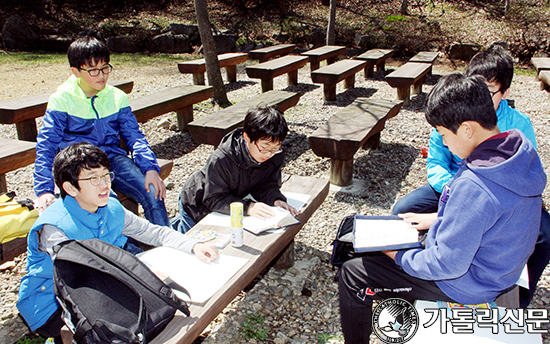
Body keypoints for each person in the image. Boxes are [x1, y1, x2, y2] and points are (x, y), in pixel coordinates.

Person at [338, 73, 546, 343]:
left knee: (353, 273)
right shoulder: (517, 151)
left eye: (444, 135)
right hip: (499, 268)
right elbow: (490, 218)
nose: (445, 143)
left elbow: (445, 264)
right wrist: (436, 220)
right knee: (405, 229)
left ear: (468, 129)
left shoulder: (476, 184)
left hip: (468, 285)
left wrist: (394, 253)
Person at [391, 45, 550, 307]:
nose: (482, 99)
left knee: (544, 234)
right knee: (404, 209)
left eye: (489, 92)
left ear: (506, 92)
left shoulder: (519, 124)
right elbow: (436, 165)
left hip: (493, 195)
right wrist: (454, 201)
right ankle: (425, 263)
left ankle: (519, 298)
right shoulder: (452, 115)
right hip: (452, 188)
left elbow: (524, 177)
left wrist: (455, 213)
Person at [17, 143, 219, 343]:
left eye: (106, 175)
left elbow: (150, 232)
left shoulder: (110, 207)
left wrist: (192, 245)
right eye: (93, 179)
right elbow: (83, 278)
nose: (104, 184)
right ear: (70, 187)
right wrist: (142, 277)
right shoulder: (55, 229)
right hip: (52, 302)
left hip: (99, 285)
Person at [33, 33, 170, 227]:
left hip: (113, 158)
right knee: (108, 206)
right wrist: (44, 190)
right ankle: (127, 253)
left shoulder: (117, 97)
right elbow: (46, 147)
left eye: (105, 68)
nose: (102, 76)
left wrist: (150, 168)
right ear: (76, 71)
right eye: (93, 70)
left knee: (153, 192)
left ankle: (168, 245)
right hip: (81, 167)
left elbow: (135, 137)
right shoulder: (61, 100)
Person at [174, 106, 298, 233]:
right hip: (197, 203)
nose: (268, 154)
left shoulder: (275, 154)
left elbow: (267, 184)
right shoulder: (221, 159)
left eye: (276, 147)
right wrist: (248, 207)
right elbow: (213, 198)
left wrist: (276, 200)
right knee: (187, 241)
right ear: (246, 137)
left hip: (231, 198)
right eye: (264, 147)